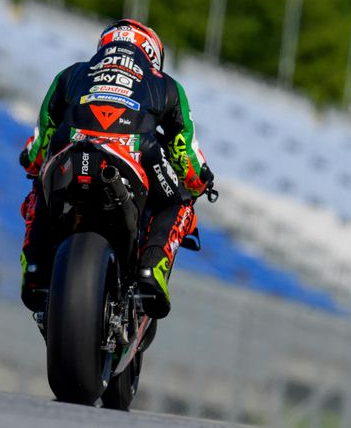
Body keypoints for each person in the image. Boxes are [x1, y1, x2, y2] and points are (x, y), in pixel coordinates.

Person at [19, 19, 214, 319]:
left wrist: (33, 162)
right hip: (137, 151)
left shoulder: (72, 73)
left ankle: (34, 264)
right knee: (179, 202)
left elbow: (42, 134)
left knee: (39, 188)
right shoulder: (165, 84)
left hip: (71, 146)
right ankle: (152, 269)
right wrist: (200, 181)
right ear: (153, 53)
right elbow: (185, 153)